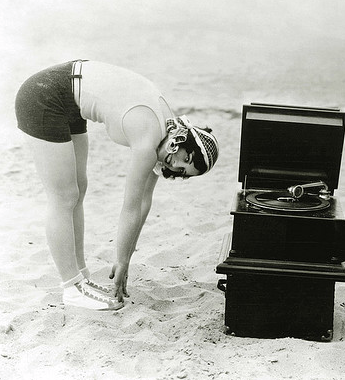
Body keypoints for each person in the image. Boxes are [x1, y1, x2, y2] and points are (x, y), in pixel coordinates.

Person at [15, 60, 219, 311]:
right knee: (64, 196)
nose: (174, 163)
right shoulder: (151, 137)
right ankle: (71, 286)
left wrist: (126, 258)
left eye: (181, 170)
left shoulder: (166, 131)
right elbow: (130, 207)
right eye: (184, 158)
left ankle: (81, 277)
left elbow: (144, 202)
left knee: (78, 190)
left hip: (69, 103)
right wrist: (121, 259)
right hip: (44, 95)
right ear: (183, 138)